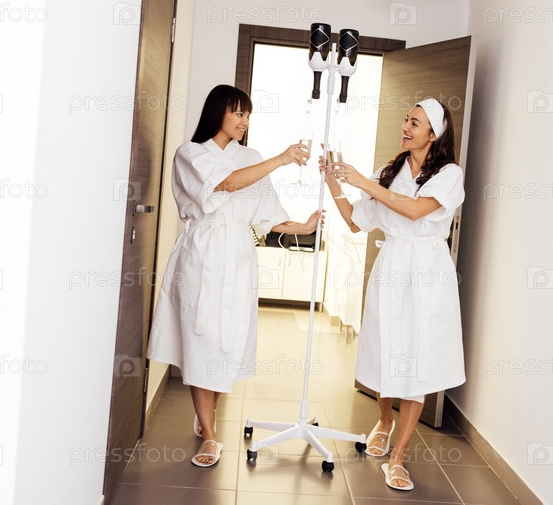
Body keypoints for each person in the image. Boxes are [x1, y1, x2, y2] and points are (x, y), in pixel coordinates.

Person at [147, 84, 323, 468]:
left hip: (239, 259)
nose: (244, 121)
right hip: (203, 255)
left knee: (226, 342)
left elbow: (268, 215)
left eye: (248, 115)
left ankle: (206, 413)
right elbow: (226, 184)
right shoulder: (190, 154)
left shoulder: (251, 157)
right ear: (218, 112)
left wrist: (304, 227)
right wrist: (281, 159)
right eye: (238, 113)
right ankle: (211, 436)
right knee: (202, 339)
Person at [319, 98, 465, 491]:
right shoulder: (388, 172)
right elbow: (355, 222)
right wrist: (334, 182)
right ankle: (384, 420)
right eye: (405, 120)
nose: (405, 127)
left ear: (433, 134)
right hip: (392, 268)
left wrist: (362, 182)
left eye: (414, 122)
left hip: (428, 273)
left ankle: (397, 457)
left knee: (418, 360)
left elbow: (416, 211)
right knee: (387, 351)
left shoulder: (449, 174)